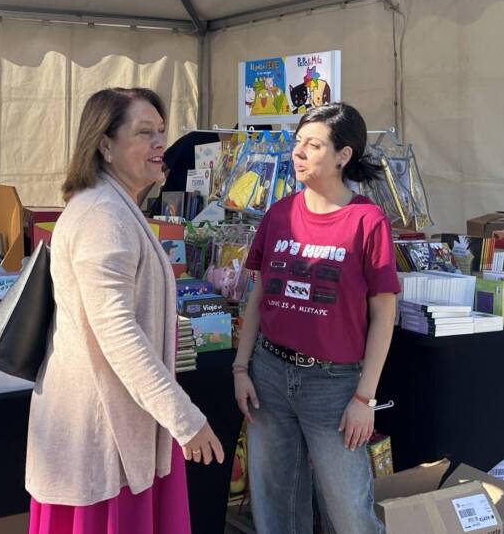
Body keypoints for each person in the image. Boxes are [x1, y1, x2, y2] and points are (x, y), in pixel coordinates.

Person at [26, 87, 225, 534]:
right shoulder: (103, 215)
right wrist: (185, 419)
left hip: (115, 421)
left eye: (161, 131)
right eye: (144, 132)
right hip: (103, 428)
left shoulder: (113, 206)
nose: (160, 143)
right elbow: (118, 333)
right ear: (105, 144)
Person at [232, 103, 400, 534]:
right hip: (268, 374)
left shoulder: (367, 221)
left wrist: (364, 399)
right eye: (297, 143)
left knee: (349, 513)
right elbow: (258, 296)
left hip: (333, 386)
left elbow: (384, 313)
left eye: (313, 144)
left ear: (343, 156)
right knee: (275, 508)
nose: (299, 153)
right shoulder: (279, 214)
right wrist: (241, 367)